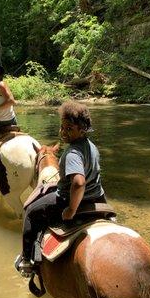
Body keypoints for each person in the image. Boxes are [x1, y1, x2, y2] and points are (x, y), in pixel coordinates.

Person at [15, 100, 107, 276]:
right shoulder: (92, 147)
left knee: (31, 212)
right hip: (97, 198)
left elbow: (79, 182)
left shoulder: (72, 153)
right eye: (62, 127)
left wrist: (71, 210)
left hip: (70, 199)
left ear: (82, 129)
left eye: (69, 128)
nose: (63, 132)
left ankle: (26, 260)